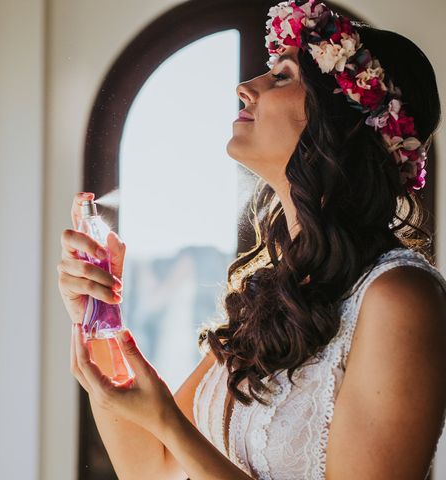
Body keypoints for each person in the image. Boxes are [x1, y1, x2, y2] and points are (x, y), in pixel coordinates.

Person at [57, 1, 446, 478]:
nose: (245, 88)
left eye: (283, 77)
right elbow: (150, 468)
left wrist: (168, 421)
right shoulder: (271, 291)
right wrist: (101, 321)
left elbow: (169, 444)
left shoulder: (398, 298)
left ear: (341, 123)